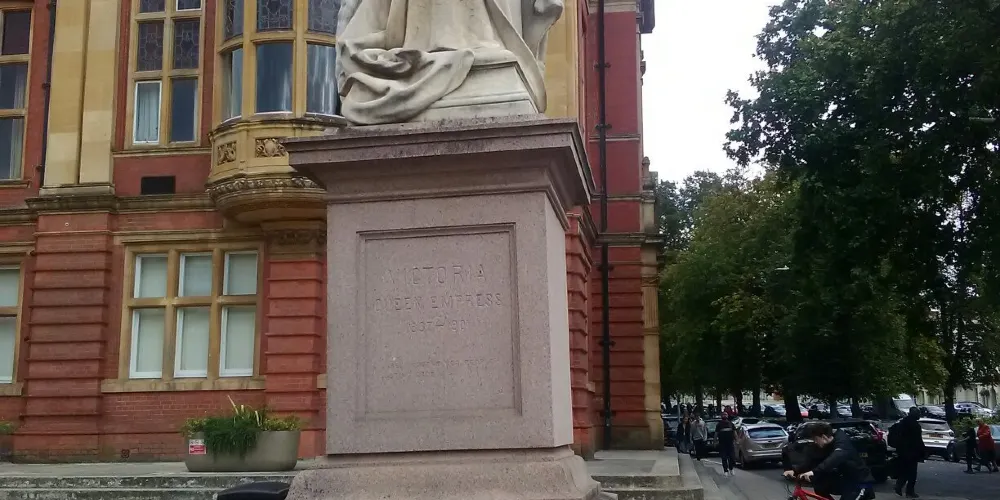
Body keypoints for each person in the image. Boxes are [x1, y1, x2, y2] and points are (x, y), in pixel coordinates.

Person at [783, 422, 872, 500]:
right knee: (820, 487)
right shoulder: (822, 446)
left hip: (860, 483)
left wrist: (813, 472)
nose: (815, 442)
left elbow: (835, 458)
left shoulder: (842, 442)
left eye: (816, 439)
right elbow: (812, 460)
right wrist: (794, 471)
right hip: (845, 481)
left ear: (824, 437)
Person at [889, 406, 925, 498]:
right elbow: (918, 440)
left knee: (905, 470)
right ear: (914, 414)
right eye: (918, 413)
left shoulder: (902, 422)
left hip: (902, 451)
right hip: (911, 452)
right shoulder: (915, 425)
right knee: (912, 473)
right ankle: (909, 491)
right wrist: (922, 451)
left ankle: (899, 486)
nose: (920, 415)